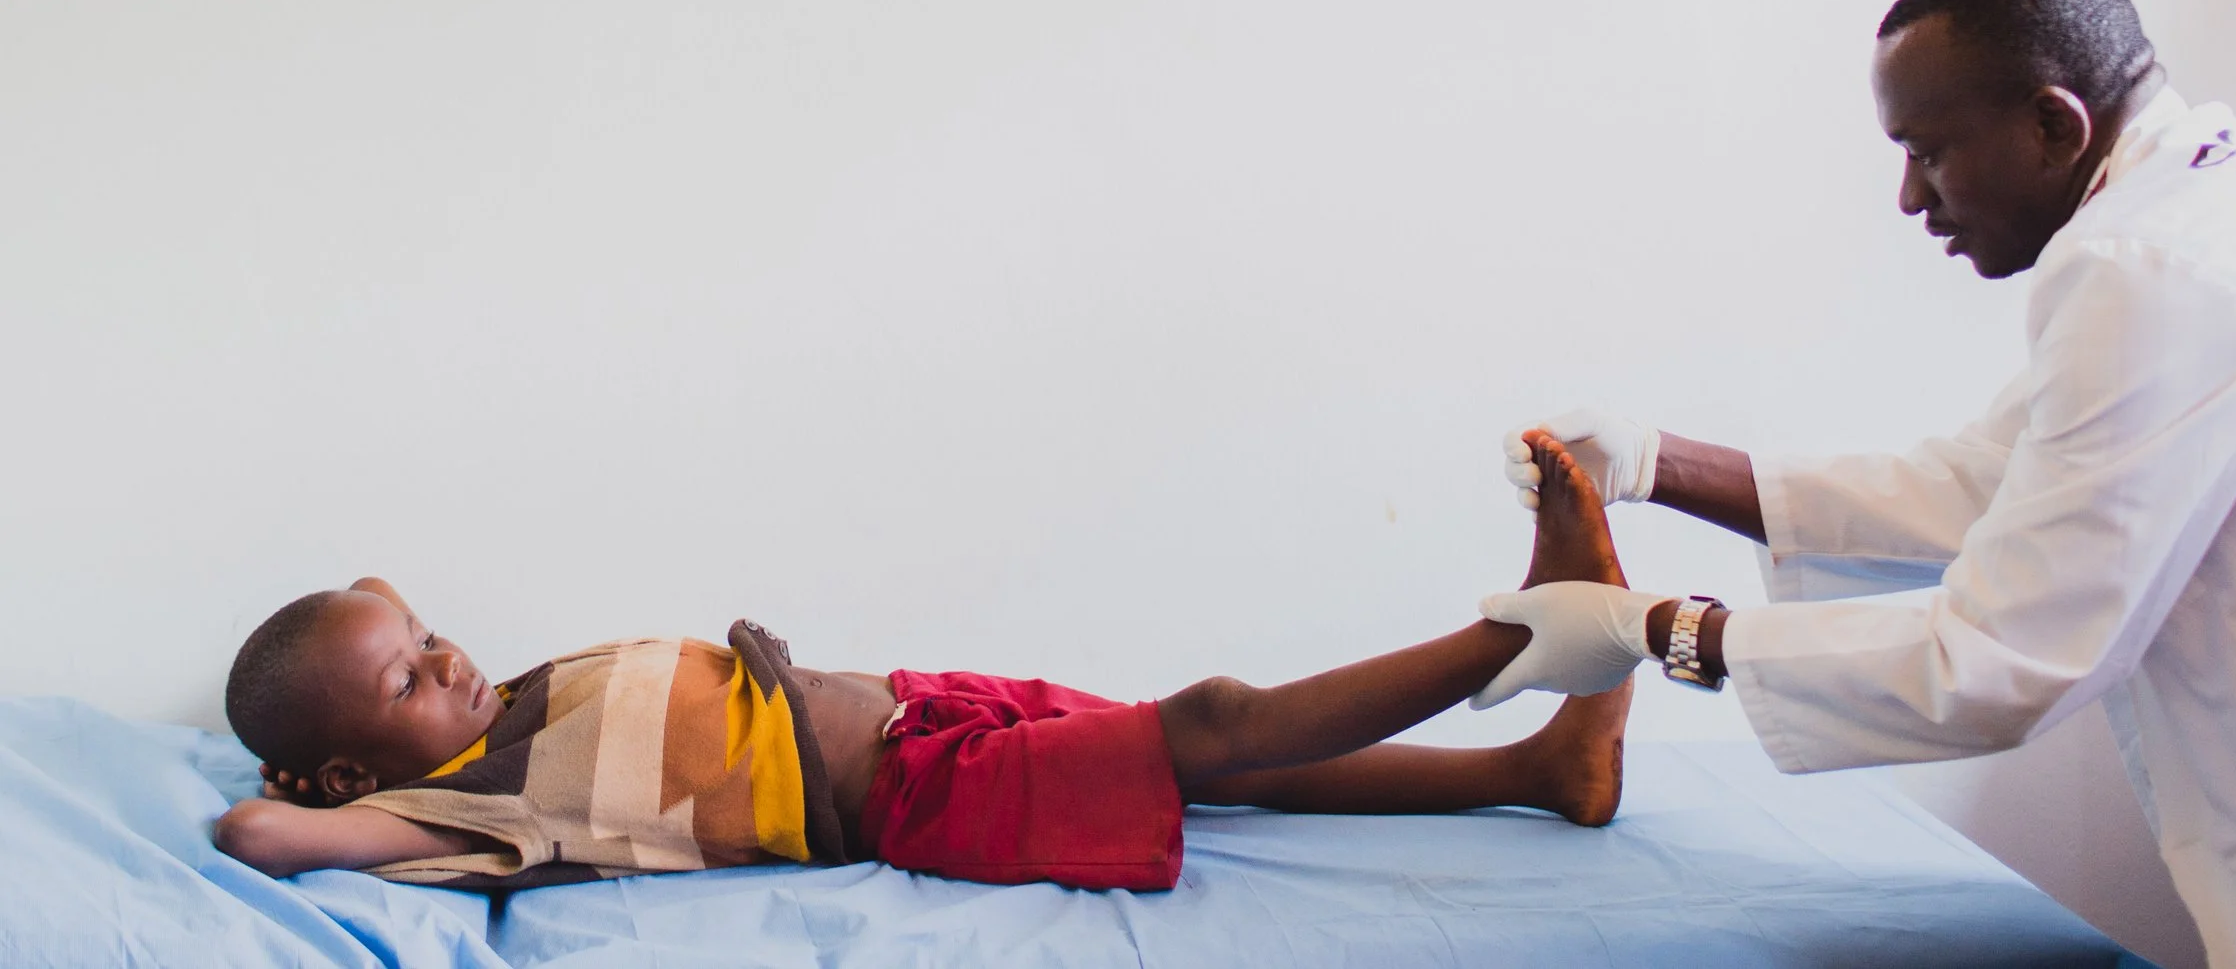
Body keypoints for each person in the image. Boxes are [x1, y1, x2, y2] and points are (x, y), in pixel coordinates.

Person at [1477, 0, 2236, 969]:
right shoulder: (2211, 202)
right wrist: (1654, 463)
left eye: (1928, 151)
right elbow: (1999, 488)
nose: (1910, 199)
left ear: (2055, 124)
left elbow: (1998, 660)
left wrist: (1653, 630)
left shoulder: (2154, 267)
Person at [212, 436, 1631, 891]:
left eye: (426, 645)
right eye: (406, 680)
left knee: (1222, 769)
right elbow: (257, 826)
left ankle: (1534, 768)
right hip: (919, 795)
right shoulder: (458, 803)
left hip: (920, 707)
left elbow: (378, 599)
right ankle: (1530, 632)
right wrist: (322, 784)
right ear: (350, 765)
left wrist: (382, 659)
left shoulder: (488, 691)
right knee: (1215, 722)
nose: (441, 658)